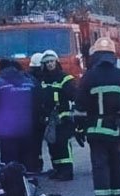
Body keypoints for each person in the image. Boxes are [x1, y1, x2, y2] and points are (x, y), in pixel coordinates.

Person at [74, 37, 120, 196]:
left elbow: (80, 107)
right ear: (113, 56)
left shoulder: (89, 77)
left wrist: (78, 129)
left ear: (97, 55)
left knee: (100, 167)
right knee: (117, 165)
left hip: (97, 131)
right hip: (119, 132)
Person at [0, 57, 36, 166]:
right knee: (26, 159)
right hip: (27, 127)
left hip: (7, 130)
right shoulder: (29, 82)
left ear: (0, 69)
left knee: (9, 161)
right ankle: (26, 179)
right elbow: (38, 102)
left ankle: (12, 179)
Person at [39, 49, 77, 181]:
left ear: (56, 62)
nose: (50, 64)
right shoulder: (42, 80)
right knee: (52, 144)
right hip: (49, 119)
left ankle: (67, 171)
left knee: (63, 144)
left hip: (62, 118)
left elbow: (74, 95)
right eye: (47, 62)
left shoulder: (65, 78)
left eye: (52, 61)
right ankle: (57, 169)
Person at [26, 52, 46, 173]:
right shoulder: (37, 79)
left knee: (33, 143)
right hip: (36, 117)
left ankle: (34, 165)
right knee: (35, 144)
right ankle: (35, 165)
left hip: (30, 117)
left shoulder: (28, 77)